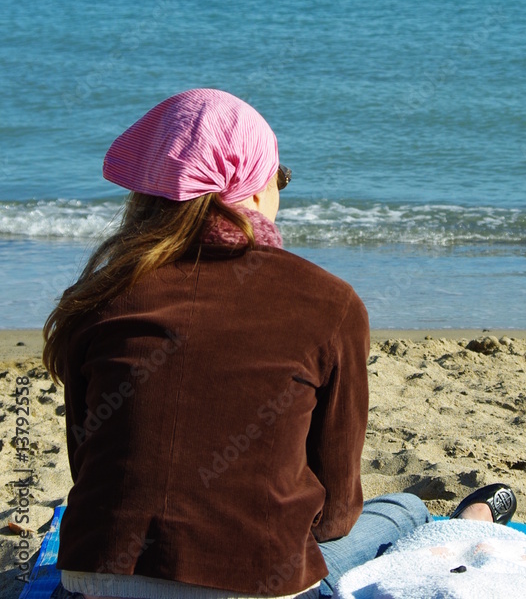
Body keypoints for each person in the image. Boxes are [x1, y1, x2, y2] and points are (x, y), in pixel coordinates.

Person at [44, 88, 450, 599]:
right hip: (256, 585)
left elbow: (91, 465)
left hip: (93, 578)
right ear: (254, 190)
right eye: (280, 177)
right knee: (400, 512)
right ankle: (475, 513)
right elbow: (338, 513)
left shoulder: (103, 295)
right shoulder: (331, 303)